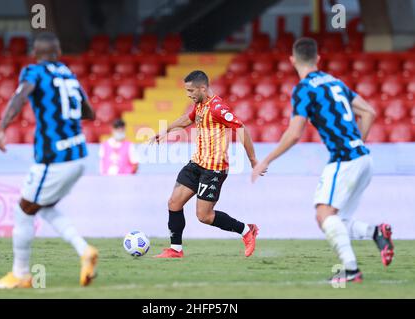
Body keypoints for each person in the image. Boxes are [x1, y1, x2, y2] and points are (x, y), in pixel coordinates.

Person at [251, 38, 394, 283]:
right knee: (338, 220)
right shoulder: (334, 81)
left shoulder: (304, 88)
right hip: (363, 158)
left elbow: (295, 133)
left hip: (344, 159)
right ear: (318, 59)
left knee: (323, 216)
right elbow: (368, 111)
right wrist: (358, 141)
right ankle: (376, 233)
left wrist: (266, 160)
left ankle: (350, 271)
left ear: (292, 60)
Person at [0, 32, 98, 289]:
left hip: (54, 157)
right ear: (58, 51)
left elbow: (20, 96)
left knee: (23, 210)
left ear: (35, 52)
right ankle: (84, 251)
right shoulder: (68, 74)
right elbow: (89, 112)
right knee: (43, 207)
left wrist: (2, 126)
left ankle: (21, 274)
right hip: (79, 154)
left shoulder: (34, 72)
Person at [150, 70, 260, 258]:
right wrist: (166, 130)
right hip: (196, 164)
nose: (189, 94)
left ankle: (246, 231)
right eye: (187, 91)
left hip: (214, 169)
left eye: (191, 90)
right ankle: (176, 249)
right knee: (174, 202)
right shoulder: (200, 105)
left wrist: (253, 160)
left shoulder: (218, 108)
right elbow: (187, 119)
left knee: (204, 216)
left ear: (203, 88)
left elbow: (240, 128)